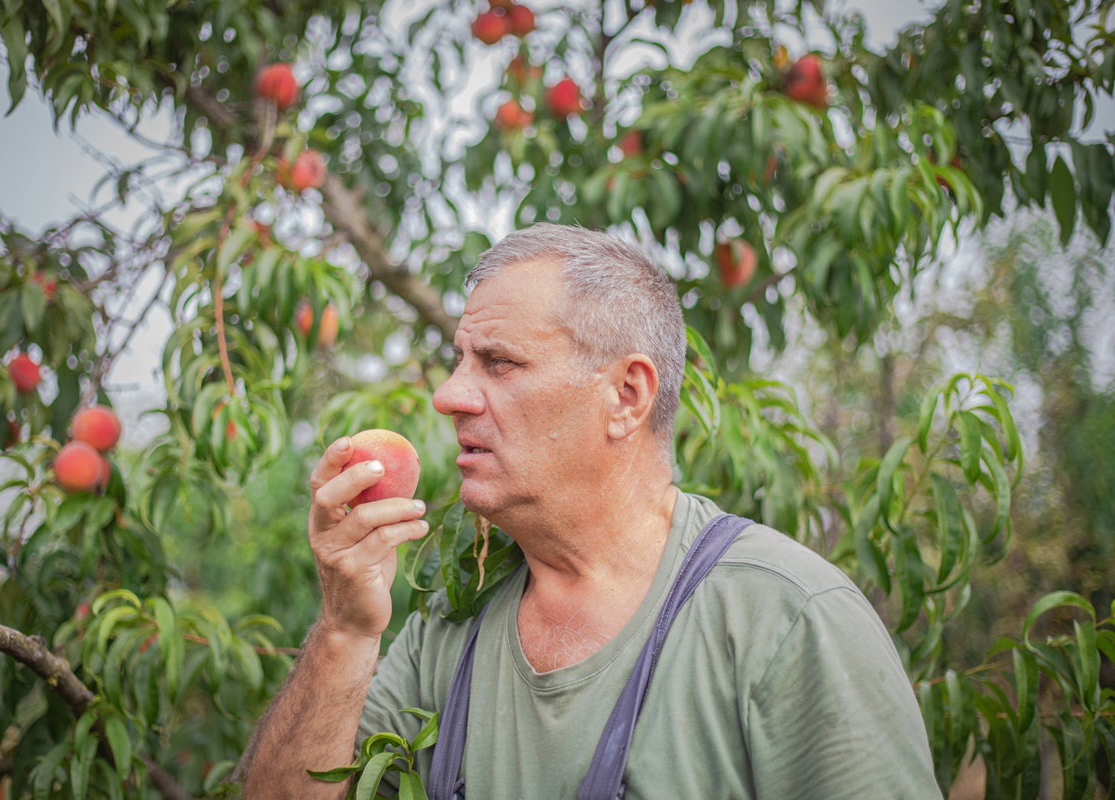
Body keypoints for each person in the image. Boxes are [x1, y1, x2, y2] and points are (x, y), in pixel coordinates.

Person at [238, 224, 941, 799]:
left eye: (499, 362)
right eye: (458, 359)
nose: (450, 395)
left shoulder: (785, 619)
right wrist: (345, 629)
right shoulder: (448, 629)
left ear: (627, 397)